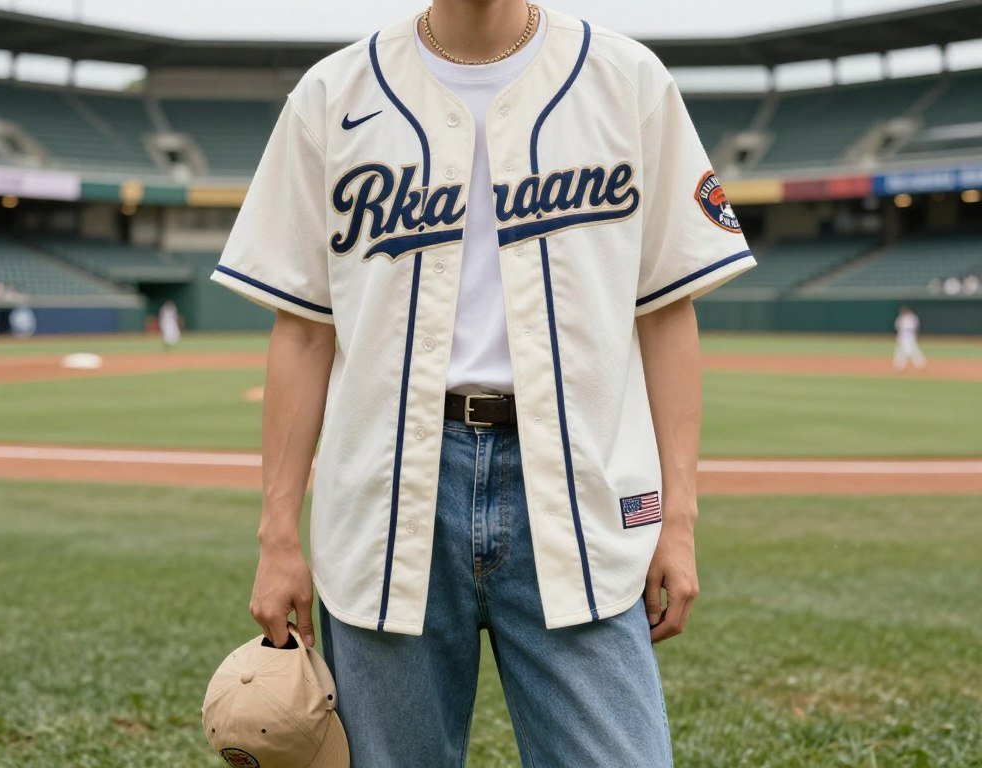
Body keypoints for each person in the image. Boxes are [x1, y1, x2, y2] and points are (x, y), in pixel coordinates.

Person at [211, 1, 756, 765]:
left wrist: (681, 520)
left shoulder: (628, 80)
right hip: (385, 492)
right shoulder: (333, 93)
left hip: (578, 485)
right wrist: (276, 537)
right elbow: (302, 329)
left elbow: (666, 313)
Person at [893, 305, 926, 370]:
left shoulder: (912, 318)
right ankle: (899, 365)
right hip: (902, 336)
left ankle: (920, 363)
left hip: (910, 337)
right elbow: (897, 327)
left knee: (912, 350)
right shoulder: (901, 318)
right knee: (901, 350)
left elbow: (915, 327)